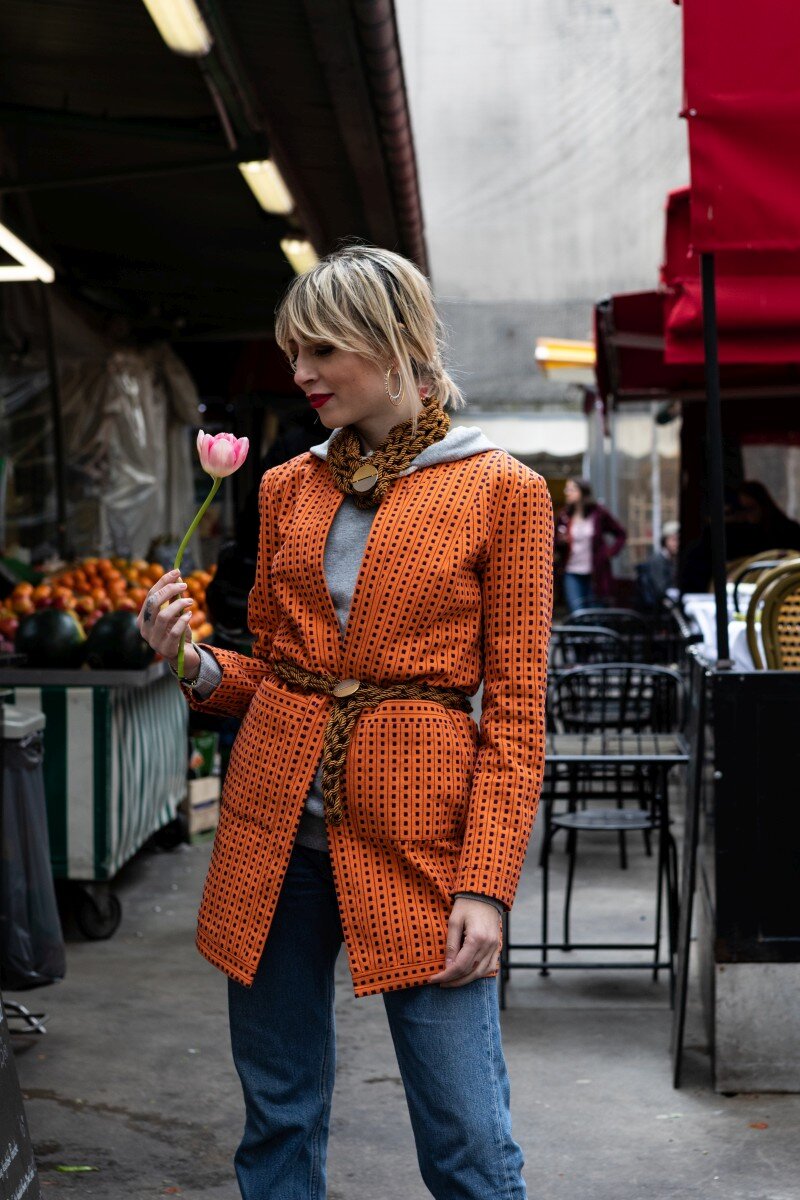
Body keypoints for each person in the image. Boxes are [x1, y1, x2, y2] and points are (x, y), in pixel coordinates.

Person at [136, 244, 553, 1200]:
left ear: (396, 343)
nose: (303, 374)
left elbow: (519, 712)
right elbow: (281, 680)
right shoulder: (287, 486)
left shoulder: (503, 491)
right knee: (277, 1118)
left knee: (468, 1140)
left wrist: (485, 886)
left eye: (323, 350)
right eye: (296, 351)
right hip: (272, 839)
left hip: (424, 848)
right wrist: (190, 661)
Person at [554, 477, 626, 613]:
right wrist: (561, 541)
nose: (567, 492)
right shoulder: (564, 516)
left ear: (582, 492)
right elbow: (553, 542)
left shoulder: (598, 513)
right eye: (567, 489)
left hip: (595, 572)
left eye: (571, 489)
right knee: (577, 611)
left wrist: (609, 553)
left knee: (595, 613)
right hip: (572, 570)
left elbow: (621, 534)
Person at [636, 520, 680, 612]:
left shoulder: (674, 560)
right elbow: (660, 589)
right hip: (658, 609)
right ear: (665, 540)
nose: (677, 544)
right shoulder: (658, 560)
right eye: (674, 540)